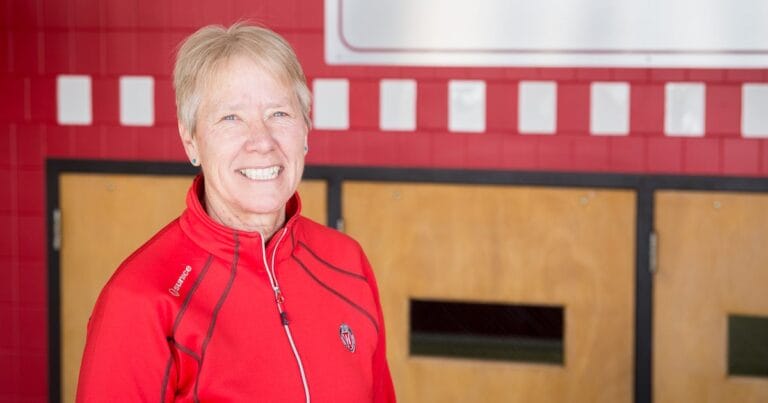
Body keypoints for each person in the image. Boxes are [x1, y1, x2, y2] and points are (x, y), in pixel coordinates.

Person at [76, 22, 395, 402]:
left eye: (279, 113)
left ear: (306, 131)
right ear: (190, 140)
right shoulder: (140, 300)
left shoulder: (347, 264)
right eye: (231, 118)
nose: (261, 141)